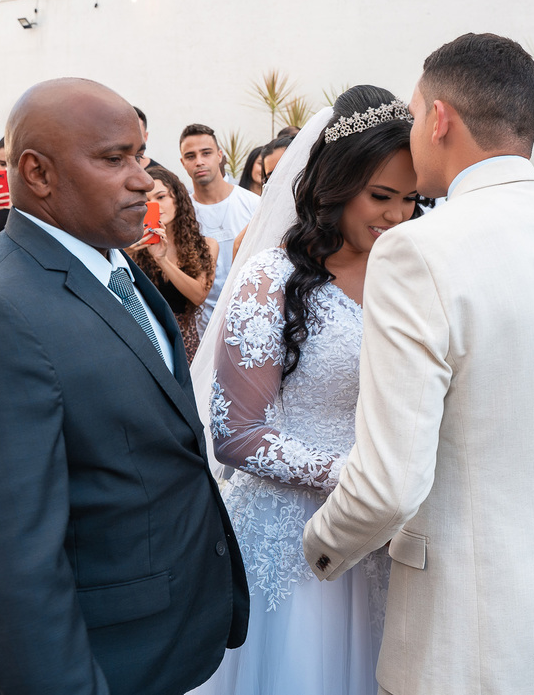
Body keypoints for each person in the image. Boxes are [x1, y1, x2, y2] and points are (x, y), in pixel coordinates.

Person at [302, 33, 534, 694]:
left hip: (469, 626)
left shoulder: (418, 250)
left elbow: (389, 483)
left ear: (439, 119)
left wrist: (320, 549)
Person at [0, 78, 248, 694]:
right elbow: (12, 568)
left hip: (153, 641)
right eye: (114, 159)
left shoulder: (113, 261)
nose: (144, 178)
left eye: (140, 155)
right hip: (89, 659)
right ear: (37, 174)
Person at [191, 86, 420, 695]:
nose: (397, 215)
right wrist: (355, 478)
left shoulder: (413, 273)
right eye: (380, 196)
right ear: (336, 185)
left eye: (410, 199)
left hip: (386, 537)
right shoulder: (273, 277)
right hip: (289, 533)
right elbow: (236, 434)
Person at [127, 166, 217, 362]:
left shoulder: (207, 245)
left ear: (178, 198)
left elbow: (199, 295)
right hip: (146, 338)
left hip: (184, 340)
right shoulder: (133, 248)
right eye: (147, 201)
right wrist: (127, 248)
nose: (155, 206)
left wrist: (162, 259)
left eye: (161, 197)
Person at [179, 123, 260, 335]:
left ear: (220, 155)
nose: (199, 161)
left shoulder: (252, 204)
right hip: (199, 325)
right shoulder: (181, 213)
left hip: (249, 316)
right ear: (182, 163)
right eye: (190, 156)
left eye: (206, 153)